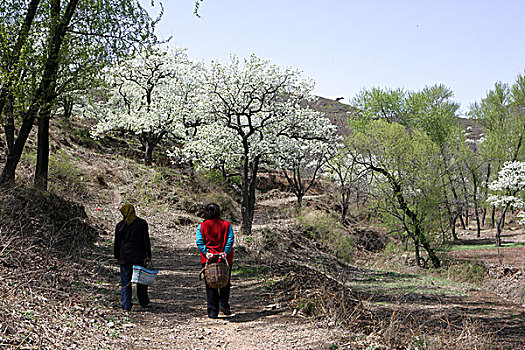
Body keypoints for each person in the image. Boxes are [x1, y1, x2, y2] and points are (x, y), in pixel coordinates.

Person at [196, 203, 235, 319]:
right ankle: (223, 304)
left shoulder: (202, 226)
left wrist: (206, 252)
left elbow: (199, 241)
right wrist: (225, 252)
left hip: (208, 260)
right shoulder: (226, 225)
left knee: (210, 284)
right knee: (225, 281)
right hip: (224, 258)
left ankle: (213, 312)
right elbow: (230, 239)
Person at [114, 204, 152, 311]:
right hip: (139, 257)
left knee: (125, 282)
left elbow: (117, 243)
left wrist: (116, 256)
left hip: (124, 258)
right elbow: (146, 240)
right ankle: (143, 301)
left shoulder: (120, 226)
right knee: (141, 281)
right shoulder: (142, 224)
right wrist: (148, 254)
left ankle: (126, 304)